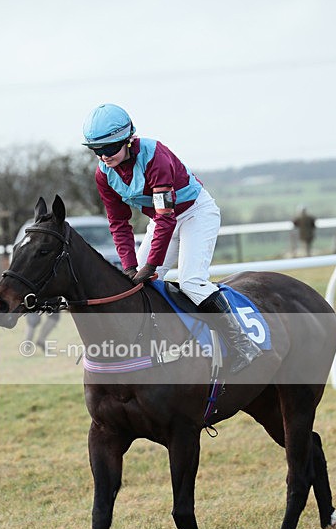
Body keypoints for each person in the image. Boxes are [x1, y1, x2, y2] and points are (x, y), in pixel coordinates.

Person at [82, 103, 261, 373]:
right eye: (96, 151)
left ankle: (242, 344)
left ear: (128, 140)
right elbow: (118, 222)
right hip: (163, 219)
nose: (103, 156)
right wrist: (130, 267)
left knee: (191, 281)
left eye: (109, 149)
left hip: (195, 213)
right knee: (135, 286)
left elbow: (166, 217)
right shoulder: (103, 174)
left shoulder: (156, 157)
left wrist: (151, 267)